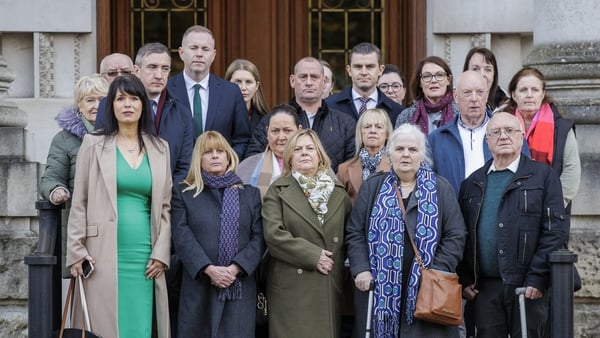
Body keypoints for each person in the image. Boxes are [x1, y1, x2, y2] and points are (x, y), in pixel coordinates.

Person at [66, 74, 172, 337]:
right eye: (120, 98)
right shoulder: (93, 144)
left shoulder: (161, 148)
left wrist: (161, 253)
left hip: (145, 256)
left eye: (134, 98)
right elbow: (79, 200)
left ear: (143, 105)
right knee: (104, 327)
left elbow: (166, 208)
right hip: (100, 253)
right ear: (111, 105)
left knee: (140, 326)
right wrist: (76, 250)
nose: (127, 104)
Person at [346, 123, 467, 338]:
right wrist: (361, 268)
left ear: (422, 155)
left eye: (412, 150)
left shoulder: (440, 188)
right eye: (400, 149)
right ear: (390, 153)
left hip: (427, 290)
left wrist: (434, 271)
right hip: (380, 287)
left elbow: (455, 235)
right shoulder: (373, 187)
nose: (406, 155)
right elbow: (355, 232)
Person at [458, 112, 568, 338]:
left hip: (528, 288)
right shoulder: (472, 183)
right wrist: (466, 279)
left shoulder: (543, 176)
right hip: (485, 289)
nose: (503, 136)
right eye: (496, 132)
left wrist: (537, 278)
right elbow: (462, 235)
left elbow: (555, 232)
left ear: (521, 137)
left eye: (510, 130)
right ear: (486, 140)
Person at [171, 131, 265, 338]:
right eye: (208, 152)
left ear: (228, 156)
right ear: (199, 158)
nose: (215, 156)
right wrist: (208, 268)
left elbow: (259, 237)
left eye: (220, 151)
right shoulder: (183, 193)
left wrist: (235, 268)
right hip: (199, 286)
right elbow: (181, 235)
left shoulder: (250, 194)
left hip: (238, 286)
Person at [262, 129, 352, 338]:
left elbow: (350, 236)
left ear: (319, 155)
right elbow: (274, 235)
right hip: (291, 287)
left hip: (328, 283)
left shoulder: (338, 192)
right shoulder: (278, 190)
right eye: (298, 149)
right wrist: (313, 256)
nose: (304, 153)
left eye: (310, 148)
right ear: (290, 158)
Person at [39, 74, 109, 277]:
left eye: (102, 100)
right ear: (79, 105)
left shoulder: (122, 135)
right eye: (90, 100)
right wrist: (56, 190)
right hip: (83, 227)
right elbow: (50, 178)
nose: (97, 105)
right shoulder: (64, 139)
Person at [96, 42, 194, 186]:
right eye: (152, 67)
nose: (159, 75)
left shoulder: (182, 112)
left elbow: (185, 166)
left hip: (168, 200)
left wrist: (168, 197)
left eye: (165, 68)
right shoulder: (110, 105)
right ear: (136, 71)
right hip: (123, 195)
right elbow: (102, 154)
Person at [246, 57, 356, 172]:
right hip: (282, 188)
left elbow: (351, 171)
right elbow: (252, 162)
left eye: (314, 77)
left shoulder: (345, 124)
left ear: (324, 82)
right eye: (303, 77)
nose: (308, 83)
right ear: (292, 81)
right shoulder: (272, 121)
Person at [168, 25, 251, 159]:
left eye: (205, 49)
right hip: (178, 176)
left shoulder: (231, 92)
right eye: (193, 48)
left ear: (213, 55)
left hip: (221, 175)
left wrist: (228, 165)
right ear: (181, 53)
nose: (199, 54)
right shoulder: (167, 90)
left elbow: (242, 139)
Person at [506, 67, 581, 209]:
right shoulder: (501, 125)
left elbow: (571, 173)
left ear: (542, 94)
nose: (529, 95)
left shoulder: (562, 129)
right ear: (514, 95)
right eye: (523, 90)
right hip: (509, 211)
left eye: (535, 90)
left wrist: (552, 207)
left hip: (550, 211)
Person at [326, 42, 404, 122]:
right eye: (358, 67)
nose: (364, 72)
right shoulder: (328, 106)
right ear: (349, 70)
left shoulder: (397, 112)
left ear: (380, 70)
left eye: (370, 67)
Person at [237, 104, 300, 197]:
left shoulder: (315, 164)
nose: (281, 137)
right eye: (275, 131)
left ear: (299, 131)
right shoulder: (247, 166)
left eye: (287, 131)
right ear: (267, 132)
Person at [336, 108, 393, 204]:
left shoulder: (396, 167)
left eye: (379, 127)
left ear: (387, 133)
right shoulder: (344, 169)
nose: (373, 131)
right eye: (367, 127)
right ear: (360, 133)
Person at [395, 56, 458, 135]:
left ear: (448, 79)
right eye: (427, 76)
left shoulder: (461, 114)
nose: (433, 80)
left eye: (439, 75)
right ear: (420, 83)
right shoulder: (405, 116)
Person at [224, 59, 269, 138]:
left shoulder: (266, 119)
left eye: (248, 82)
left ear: (257, 86)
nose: (243, 87)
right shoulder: (218, 116)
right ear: (227, 84)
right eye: (237, 82)